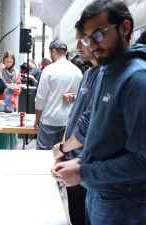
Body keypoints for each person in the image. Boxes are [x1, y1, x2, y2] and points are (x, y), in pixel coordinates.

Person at [52, 0, 146, 224]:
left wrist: (84, 172)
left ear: (124, 28)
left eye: (99, 34)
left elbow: (142, 163)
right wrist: (81, 162)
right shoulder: (105, 72)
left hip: (123, 202)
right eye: (86, 38)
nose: (91, 44)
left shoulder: (139, 80)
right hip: (99, 193)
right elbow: (106, 137)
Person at [50, 20, 102, 225]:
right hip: (72, 158)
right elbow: (75, 117)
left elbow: (88, 125)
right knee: (76, 216)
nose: (79, 47)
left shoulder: (105, 76)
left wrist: (63, 147)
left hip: (84, 161)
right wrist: (62, 151)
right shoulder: (89, 73)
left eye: (84, 40)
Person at [34, 40, 82, 150]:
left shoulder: (49, 70)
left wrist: (37, 120)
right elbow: (80, 97)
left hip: (49, 119)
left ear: (54, 51)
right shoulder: (77, 71)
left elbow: (40, 99)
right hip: (68, 121)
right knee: (62, 154)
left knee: (42, 153)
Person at [0, 51, 22, 150]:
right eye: (7, 61)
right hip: (1, 100)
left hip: (11, 101)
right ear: (3, 60)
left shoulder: (17, 72)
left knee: (12, 126)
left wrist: (14, 88)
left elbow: (18, 89)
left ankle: (12, 149)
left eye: (10, 61)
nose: (8, 63)